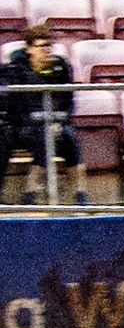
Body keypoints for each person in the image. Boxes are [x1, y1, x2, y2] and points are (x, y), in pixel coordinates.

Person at [3, 26, 88, 205]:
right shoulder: (18, 71)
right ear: (29, 49)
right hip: (27, 127)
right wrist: (45, 123)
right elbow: (18, 108)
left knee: (69, 138)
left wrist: (59, 121)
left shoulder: (60, 68)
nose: (46, 50)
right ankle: (30, 193)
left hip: (55, 123)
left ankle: (80, 196)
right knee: (46, 136)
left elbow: (68, 102)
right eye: (41, 46)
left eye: (49, 46)